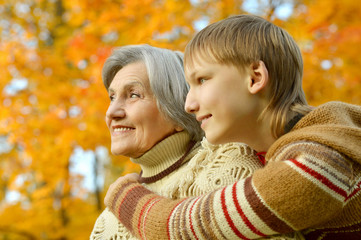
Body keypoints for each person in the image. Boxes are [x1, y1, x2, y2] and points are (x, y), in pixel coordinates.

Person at [104, 15, 361, 239]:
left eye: (202, 80)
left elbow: (181, 227)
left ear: (255, 78)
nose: (189, 105)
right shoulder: (282, 153)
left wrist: (124, 197)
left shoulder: (317, 162)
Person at [90, 44, 264, 239]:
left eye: (133, 95)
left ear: (177, 111)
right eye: (112, 97)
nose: (111, 112)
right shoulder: (108, 219)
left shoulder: (230, 166)